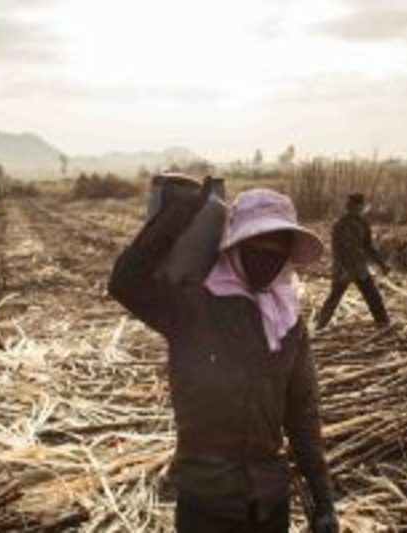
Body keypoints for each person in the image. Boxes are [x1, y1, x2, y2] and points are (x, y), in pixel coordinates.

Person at [109, 187, 339, 533]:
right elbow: (125, 283)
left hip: (269, 502)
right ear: (233, 246)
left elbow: (302, 414)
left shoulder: (289, 323)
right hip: (207, 501)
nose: (267, 257)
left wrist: (324, 502)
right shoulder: (193, 307)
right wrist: (176, 215)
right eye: (256, 246)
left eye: (278, 250)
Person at [316, 193, 390, 330]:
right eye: (352, 206)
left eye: (359, 206)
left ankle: (384, 324)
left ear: (361, 207)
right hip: (344, 270)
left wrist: (381, 264)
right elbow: (337, 250)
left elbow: (368, 247)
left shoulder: (363, 224)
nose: (356, 209)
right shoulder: (340, 225)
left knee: (373, 297)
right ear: (349, 207)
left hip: (360, 268)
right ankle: (319, 327)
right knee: (333, 299)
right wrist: (343, 270)